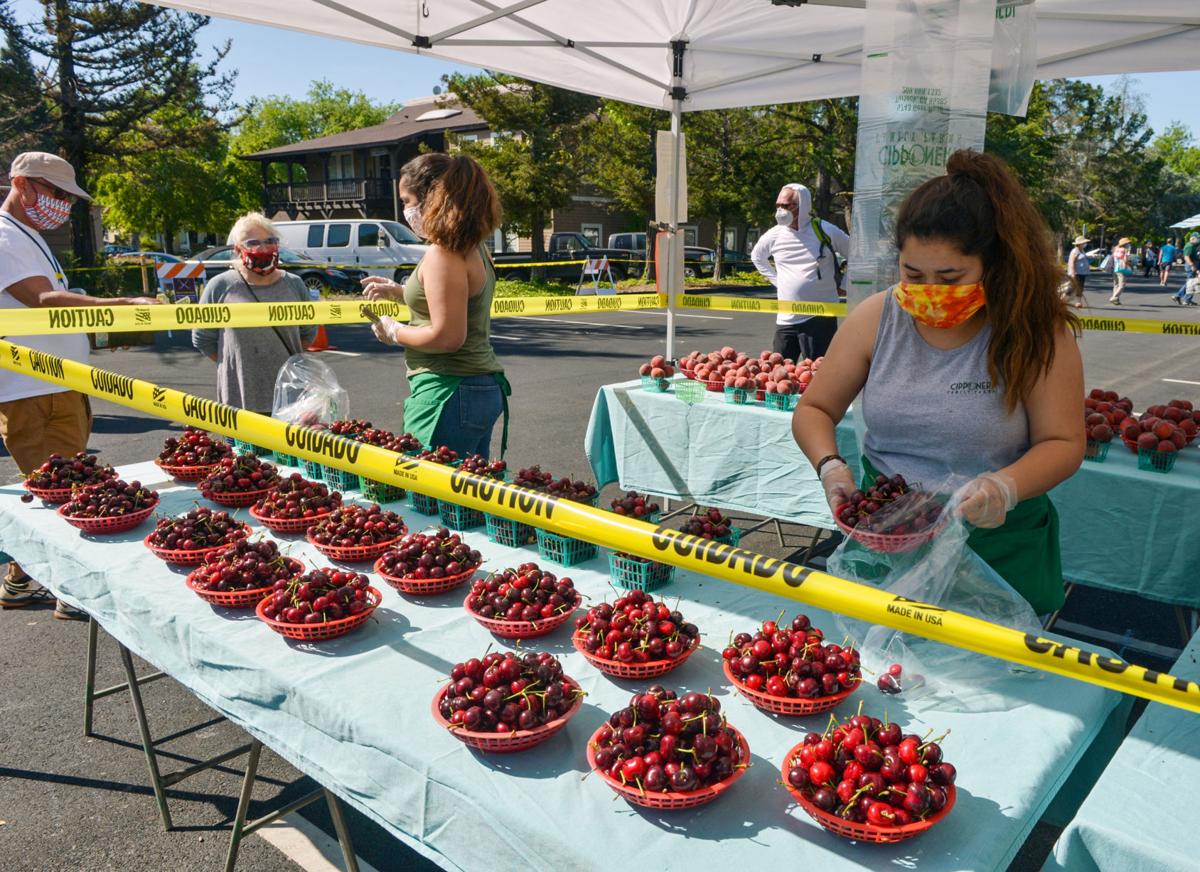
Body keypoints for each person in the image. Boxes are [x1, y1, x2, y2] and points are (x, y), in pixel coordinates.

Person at [792, 149, 1083, 616]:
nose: (931, 291)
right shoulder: (876, 318)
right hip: (886, 536)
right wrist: (830, 466)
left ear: (995, 264)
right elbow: (815, 409)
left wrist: (1004, 488)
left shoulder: (1035, 331)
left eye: (950, 278)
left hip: (998, 551)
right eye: (913, 275)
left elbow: (1064, 441)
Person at [0, 152, 157, 618]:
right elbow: (41, 299)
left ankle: (20, 581)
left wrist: (99, 336)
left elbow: (45, 310)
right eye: (56, 192)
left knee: (56, 491)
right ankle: (73, 594)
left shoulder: (27, 236)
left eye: (67, 196)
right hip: (34, 391)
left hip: (56, 385)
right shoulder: (5, 236)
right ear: (22, 184)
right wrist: (119, 303)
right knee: (67, 496)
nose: (63, 204)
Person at [362, 153, 509, 458]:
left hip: (449, 391)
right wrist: (402, 293)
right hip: (475, 388)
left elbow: (447, 337)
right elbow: (459, 301)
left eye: (406, 200)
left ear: (432, 196)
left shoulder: (445, 253)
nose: (405, 211)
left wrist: (394, 331)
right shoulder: (474, 247)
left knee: (426, 496)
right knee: (464, 498)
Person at [192, 213, 316, 413]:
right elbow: (202, 338)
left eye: (270, 241)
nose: (263, 249)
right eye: (253, 243)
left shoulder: (294, 284)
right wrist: (237, 366)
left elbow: (309, 332)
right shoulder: (220, 286)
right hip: (240, 399)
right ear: (237, 249)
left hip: (291, 400)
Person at [751, 183, 849, 361]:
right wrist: (777, 280)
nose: (781, 210)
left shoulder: (825, 230)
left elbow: (856, 254)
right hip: (786, 318)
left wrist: (844, 284)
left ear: (802, 206)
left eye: (786, 206)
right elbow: (757, 257)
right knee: (778, 373)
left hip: (820, 317)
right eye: (778, 205)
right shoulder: (775, 234)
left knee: (816, 374)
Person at [1172, 233, 1200, 305]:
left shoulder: (1193, 246)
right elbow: (1186, 257)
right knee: (1192, 283)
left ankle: (1181, 297)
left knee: (1191, 283)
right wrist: (1192, 265)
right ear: (1193, 238)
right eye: (1198, 238)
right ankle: (1184, 298)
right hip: (1191, 266)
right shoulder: (1189, 246)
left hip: (1194, 265)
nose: (1199, 239)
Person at [1065, 235, 1090, 309]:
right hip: (1077, 272)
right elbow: (1072, 262)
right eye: (1084, 243)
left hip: (1082, 272)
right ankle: (1063, 300)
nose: (1085, 244)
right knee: (1073, 287)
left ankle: (1078, 302)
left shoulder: (1081, 250)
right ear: (1080, 244)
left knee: (1080, 287)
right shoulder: (1075, 251)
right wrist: (1073, 272)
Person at [1108, 237, 1131, 305]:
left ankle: (1116, 300)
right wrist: (1129, 264)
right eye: (1128, 243)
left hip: (1115, 268)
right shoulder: (1125, 250)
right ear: (1125, 244)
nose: (1129, 244)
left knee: (1116, 284)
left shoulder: (1116, 249)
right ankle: (1114, 297)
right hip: (1122, 268)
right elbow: (1125, 260)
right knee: (1122, 285)